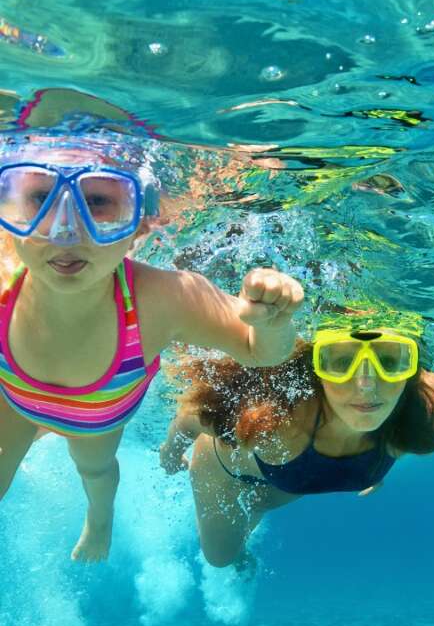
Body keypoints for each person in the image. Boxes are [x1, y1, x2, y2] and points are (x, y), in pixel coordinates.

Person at [0, 135, 304, 562]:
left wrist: (273, 323)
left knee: (96, 471)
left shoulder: (161, 300)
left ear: (138, 226)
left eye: (99, 203)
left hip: (94, 415)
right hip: (13, 397)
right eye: (38, 197)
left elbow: (260, 351)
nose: (66, 229)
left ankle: (99, 522)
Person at [160, 325, 434, 569]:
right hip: (227, 477)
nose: (366, 385)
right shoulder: (278, 422)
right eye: (341, 362)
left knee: (251, 517)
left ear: (409, 372)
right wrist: (170, 455)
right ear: (317, 369)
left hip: (286, 483)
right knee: (221, 559)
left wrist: (377, 468)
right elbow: (191, 417)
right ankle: (241, 559)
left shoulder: (421, 419)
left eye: (388, 362)